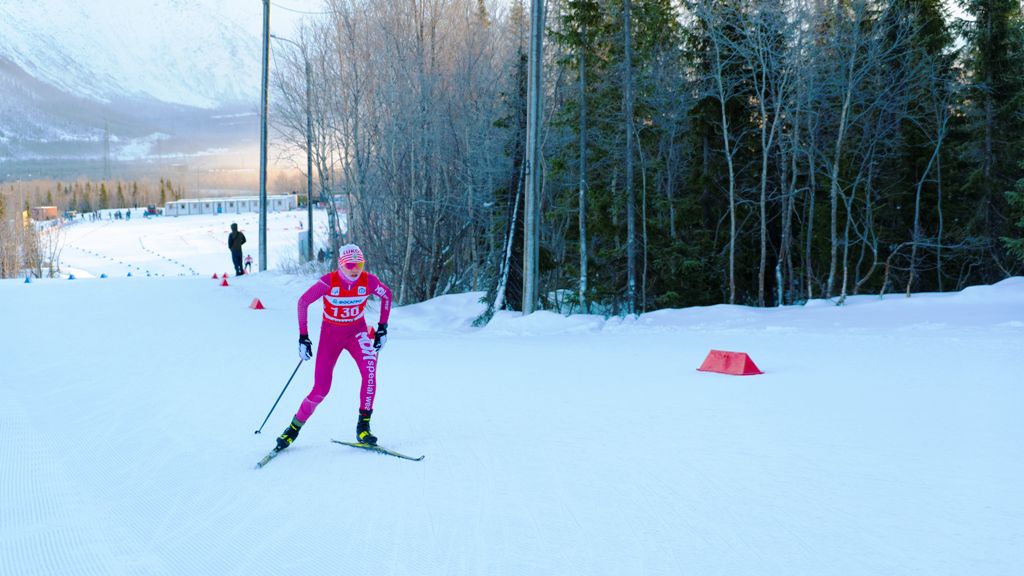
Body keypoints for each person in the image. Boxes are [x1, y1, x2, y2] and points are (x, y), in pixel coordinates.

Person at [276, 244, 392, 452]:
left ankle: (363, 427)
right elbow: (303, 302)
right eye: (350, 265)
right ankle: (293, 429)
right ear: (341, 265)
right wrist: (304, 337)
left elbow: (387, 295)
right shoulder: (329, 281)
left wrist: (382, 328)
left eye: (359, 264)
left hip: (357, 333)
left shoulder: (368, 281)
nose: (355, 269)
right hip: (331, 336)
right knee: (321, 388)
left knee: (370, 373)